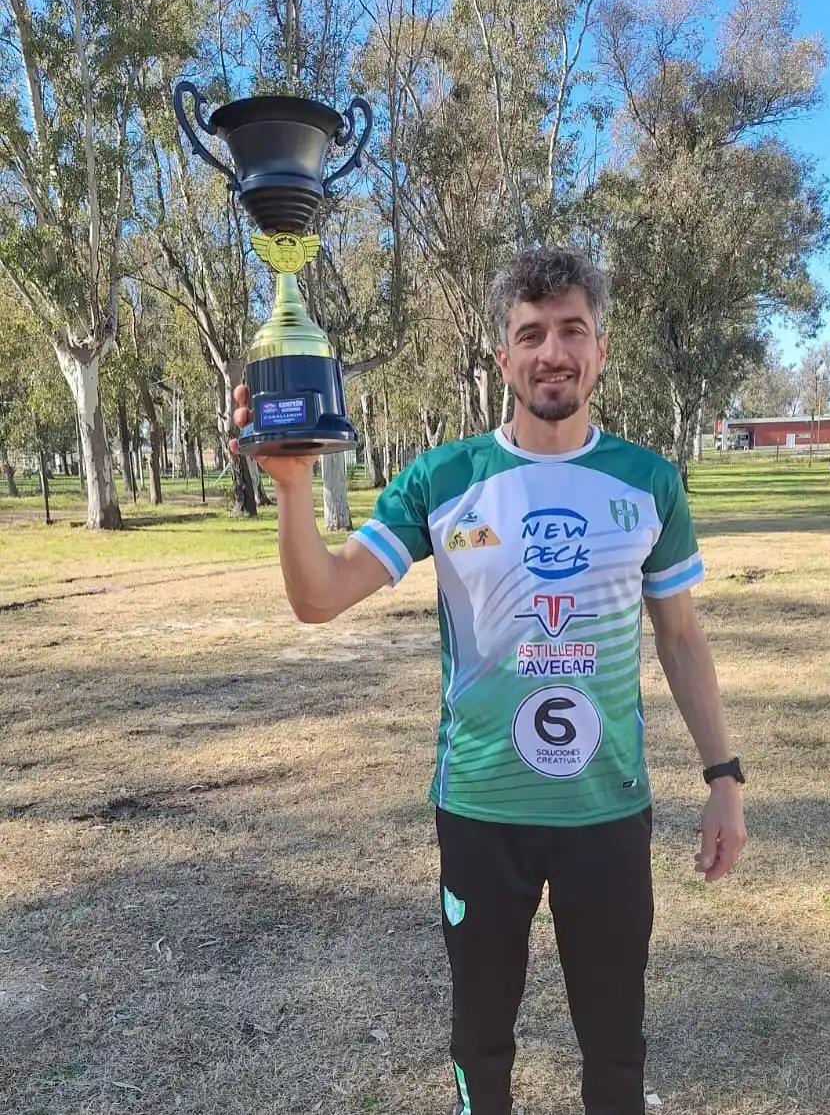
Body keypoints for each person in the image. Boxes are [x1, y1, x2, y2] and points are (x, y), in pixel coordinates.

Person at [231, 248, 748, 1115]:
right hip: (480, 811)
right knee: (480, 1037)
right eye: (531, 334)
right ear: (503, 356)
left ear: (601, 348)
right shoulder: (444, 479)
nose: (554, 352)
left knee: (615, 1044)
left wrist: (723, 778)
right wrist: (290, 488)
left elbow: (682, 637)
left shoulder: (650, 482)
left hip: (606, 813)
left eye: (572, 330)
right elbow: (320, 597)